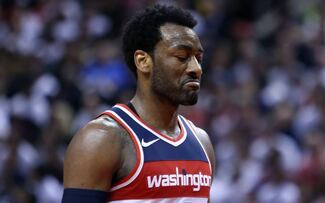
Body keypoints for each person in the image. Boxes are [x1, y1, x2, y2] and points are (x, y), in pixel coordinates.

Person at [62, 4, 215, 203]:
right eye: (182, 57)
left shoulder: (202, 143)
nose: (196, 68)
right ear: (143, 61)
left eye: (198, 58)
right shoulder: (101, 139)